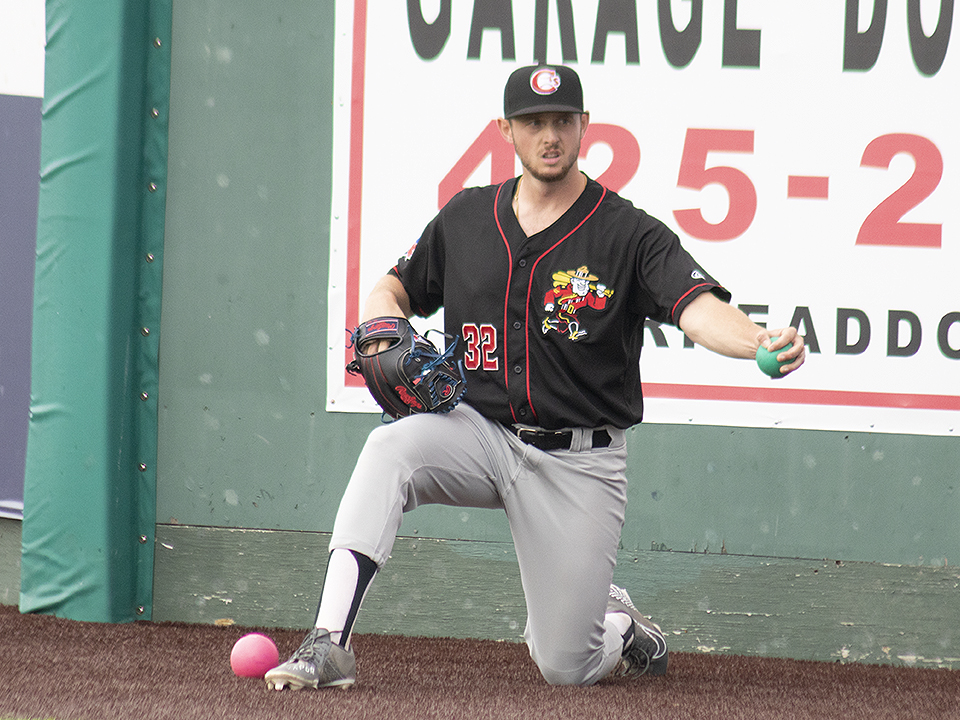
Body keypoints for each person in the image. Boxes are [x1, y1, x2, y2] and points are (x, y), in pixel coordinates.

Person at [265, 64, 805, 691]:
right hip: (481, 434)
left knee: (564, 666)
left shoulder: (629, 233)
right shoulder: (468, 217)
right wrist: (384, 321)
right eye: (533, 123)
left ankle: (618, 623)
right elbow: (393, 288)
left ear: (583, 128)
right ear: (506, 130)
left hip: (580, 461)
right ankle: (328, 642)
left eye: (562, 122)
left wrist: (756, 340)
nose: (549, 136)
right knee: (390, 447)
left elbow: (697, 309)